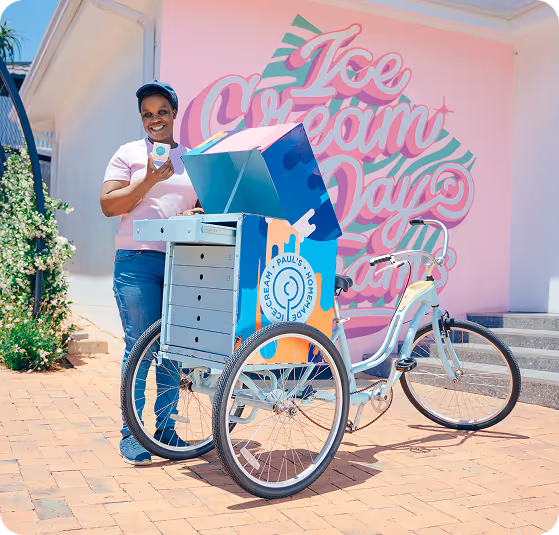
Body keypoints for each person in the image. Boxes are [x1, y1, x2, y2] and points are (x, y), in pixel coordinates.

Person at [100, 81, 202, 465]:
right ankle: (132, 433)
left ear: (174, 113)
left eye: (161, 111)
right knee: (140, 347)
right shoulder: (128, 153)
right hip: (137, 260)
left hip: (183, 261)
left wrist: (199, 213)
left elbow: (206, 208)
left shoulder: (193, 158)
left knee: (174, 348)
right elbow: (109, 205)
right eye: (147, 113)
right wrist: (148, 179)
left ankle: (165, 429)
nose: (154, 119)